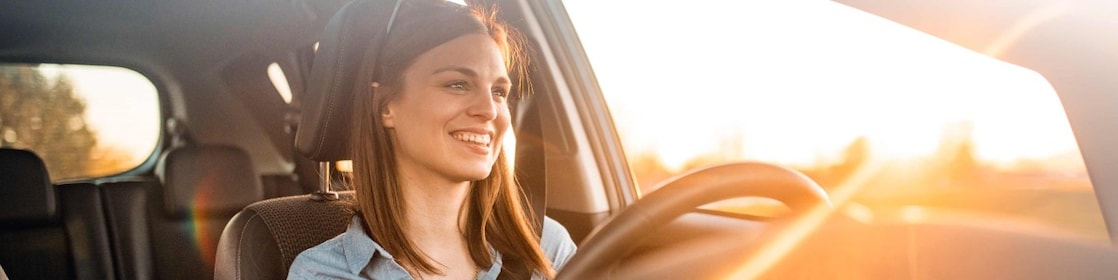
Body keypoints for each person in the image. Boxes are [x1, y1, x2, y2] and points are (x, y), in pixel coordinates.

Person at [288, 0, 577, 279]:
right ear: (385, 106)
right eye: (458, 84)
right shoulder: (324, 273)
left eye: (499, 92)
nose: (489, 110)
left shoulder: (547, 247)